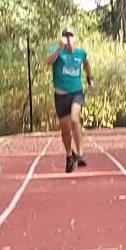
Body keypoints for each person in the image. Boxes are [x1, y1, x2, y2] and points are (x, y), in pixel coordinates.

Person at [47, 28, 92, 173]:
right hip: (61, 95)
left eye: (70, 36)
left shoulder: (81, 53)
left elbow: (86, 64)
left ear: (75, 39)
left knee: (74, 118)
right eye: (65, 36)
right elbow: (48, 62)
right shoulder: (57, 50)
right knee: (65, 129)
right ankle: (69, 155)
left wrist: (89, 77)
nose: (68, 39)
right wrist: (59, 48)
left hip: (77, 92)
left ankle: (80, 153)